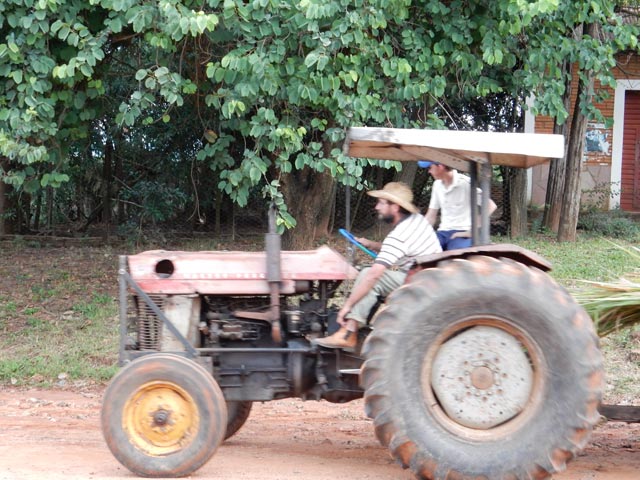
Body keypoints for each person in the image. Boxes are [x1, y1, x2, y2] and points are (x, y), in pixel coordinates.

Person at [313, 181, 442, 350]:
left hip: (421, 283)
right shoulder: (416, 221)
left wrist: (347, 306)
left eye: (381, 202)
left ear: (395, 207)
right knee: (369, 274)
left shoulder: (399, 235)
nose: (376, 207)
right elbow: (402, 248)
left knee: (369, 275)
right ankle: (361, 324)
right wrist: (371, 244)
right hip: (431, 277)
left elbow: (375, 274)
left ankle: (348, 332)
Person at [420, 160, 497, 251]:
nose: (429, 171)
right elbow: (431, 215)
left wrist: (472, 230)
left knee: (456, 253)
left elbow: (490, 205)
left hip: (462, 233)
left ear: (440, 166)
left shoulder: (465, 183)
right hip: (442, 233)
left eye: (430, 168)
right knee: (424, 249)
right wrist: (420, 233)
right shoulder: (437, 185)